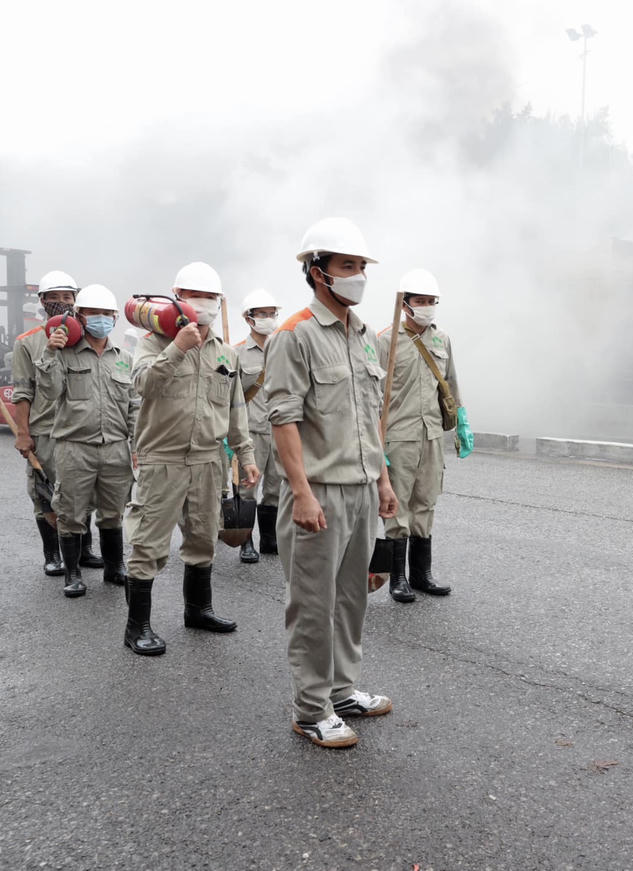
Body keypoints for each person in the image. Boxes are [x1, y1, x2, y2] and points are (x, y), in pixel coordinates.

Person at [266, 217, 398, 748]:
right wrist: (300, 492)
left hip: (363, 488)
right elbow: (283, 418)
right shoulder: (293, 335)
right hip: (318, 492)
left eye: (362, 266)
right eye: (349, 266)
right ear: (318, 272)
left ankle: (342, 691)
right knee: (314, 604)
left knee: (351, 598)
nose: (359, 276)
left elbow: (372, 418)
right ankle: (310, 708)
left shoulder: (364, 337)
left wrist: (384, 481)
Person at [124, 262, 259, 656]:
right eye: (195, 296)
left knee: (203, 537)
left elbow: (236, 410)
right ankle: (137, 627)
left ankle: (198, 609)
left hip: (208, 459)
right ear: (177, 297)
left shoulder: (225, 354)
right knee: (148, 543)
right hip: (161, 459)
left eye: (211, 298)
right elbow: (143, 385)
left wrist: (246, 455)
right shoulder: (152, 343)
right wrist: (177, 348)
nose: (204, 304)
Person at [375, 268, 473, 603]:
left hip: (431, 435)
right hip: (398, 436)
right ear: (405, 304)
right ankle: (397, 578)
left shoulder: (441, 339)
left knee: (426, 501)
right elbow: (372, 395)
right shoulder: (384, 341)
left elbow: (451, 383)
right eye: (421, 301)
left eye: (432, 301)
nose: (427, 306)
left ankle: (421, 575)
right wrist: (376, 444)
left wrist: (461, 421)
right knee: (397, 505)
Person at [39, 284, 137, 597]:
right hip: (74, 447)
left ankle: (114, 567)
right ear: (79, 316)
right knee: (70, 512)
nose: (100, 319)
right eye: (93, 313)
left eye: (106, 314)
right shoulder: (64, 355)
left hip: (115, 448)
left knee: (113, 511)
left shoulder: (123, 359)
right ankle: (73, 573)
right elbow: (49, 391)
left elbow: (134, 404)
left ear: (115, 317)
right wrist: (51, 352)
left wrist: (138, 444)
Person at [11, 271, 101, 575]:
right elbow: (23, 392)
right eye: (54, 297)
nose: (61, 303)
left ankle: (84, 550)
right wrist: (23, 434)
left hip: (78, 429)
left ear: (76, 300)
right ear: (42, 301)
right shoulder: (28, 343)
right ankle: (52, 555)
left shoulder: (84, 338)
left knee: (83, 491)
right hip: (45, 430)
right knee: (45, 494)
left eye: (67, 297)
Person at [235, 288, 283, 563]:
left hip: (280, 430)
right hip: (251, 432)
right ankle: (245, 542)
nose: (267, 319)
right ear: (249, 319)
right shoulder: (237, 353)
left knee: (275, 487)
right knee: (247, 488)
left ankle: (269, 539)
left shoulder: (284, 348)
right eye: (261, 314)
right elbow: (230, 398)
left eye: (271, 314)